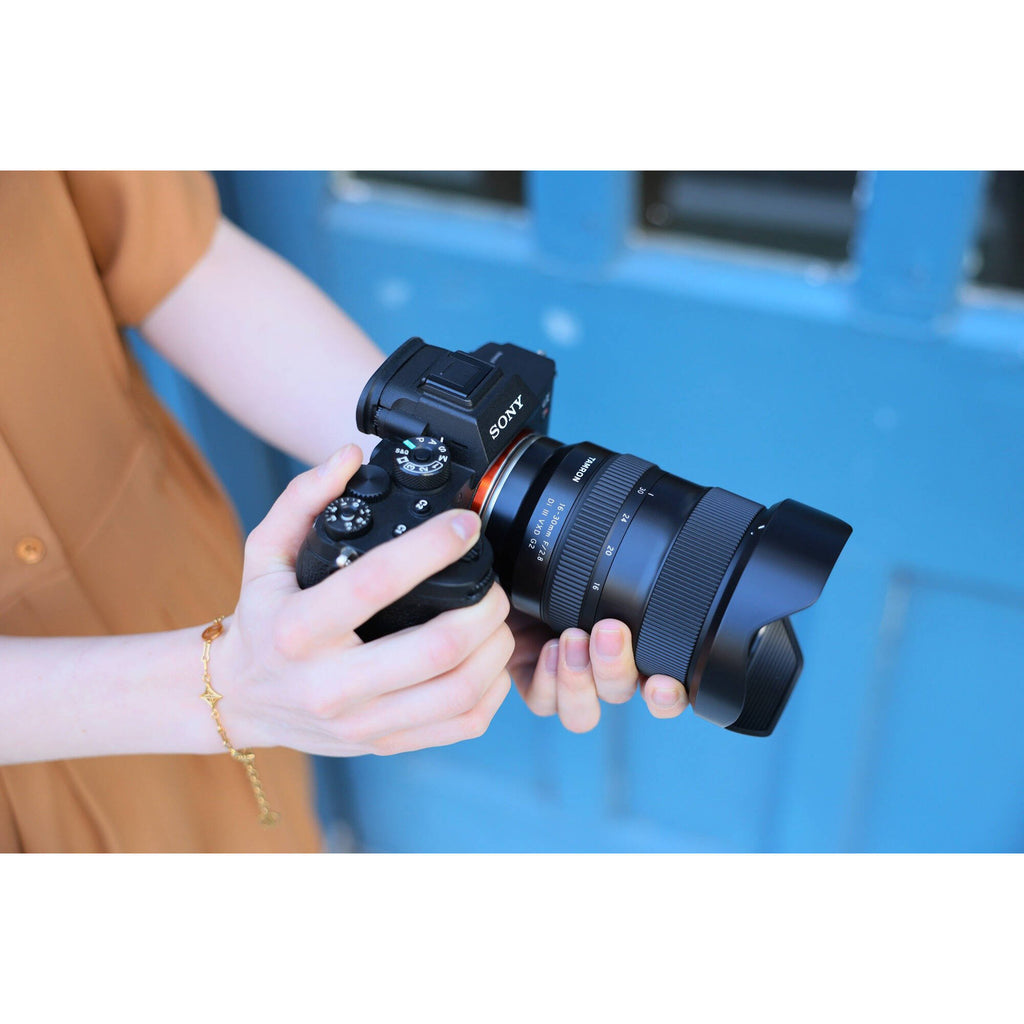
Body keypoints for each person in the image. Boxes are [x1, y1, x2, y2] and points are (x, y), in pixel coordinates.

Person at [0, 171, 689, 853]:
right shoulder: (255, 678)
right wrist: (222, 689)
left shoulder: (274, 656)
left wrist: (451, 474)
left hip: (203, 616)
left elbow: (178, 261)